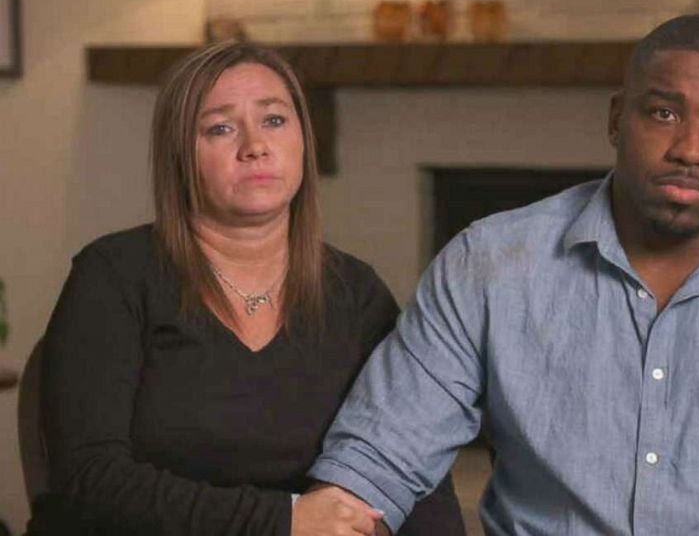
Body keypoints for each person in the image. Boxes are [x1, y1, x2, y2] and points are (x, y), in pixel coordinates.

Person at [299, 15, 699, 535]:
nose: (691, 150)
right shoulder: (487, 263)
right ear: (617, 118)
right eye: (664, 113)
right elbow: (380, 459)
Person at [30, 41, 465, 536]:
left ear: (303, 140)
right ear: (179, 156)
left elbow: (414, 462)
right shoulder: (113, 274)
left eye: (274, 120)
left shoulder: (355, 291)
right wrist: (284, 520)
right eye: (220, 128)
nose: (255, 145)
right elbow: (88, 476)